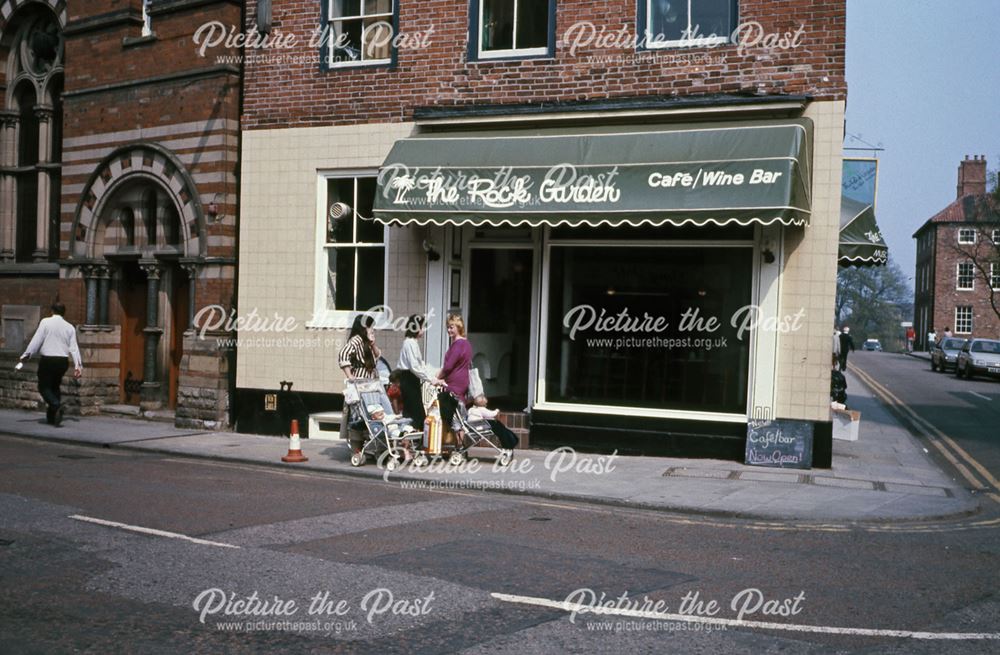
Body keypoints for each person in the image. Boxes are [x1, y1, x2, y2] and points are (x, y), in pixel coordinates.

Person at [18, 302, 83, 426]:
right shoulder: (69, 327)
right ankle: (52, 418)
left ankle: (55, 404)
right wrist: (78, 366)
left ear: (52, 311)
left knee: (43, 387)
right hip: (62, 361)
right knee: (55, 386)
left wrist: (26, 355)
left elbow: (37, 340)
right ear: (64, 312)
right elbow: (74, 348)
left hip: (48, 359)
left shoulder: (45, 322)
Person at [395, 314, 440, 425]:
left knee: (415, 410)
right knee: (414, 411)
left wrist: (433, 375)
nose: (424, 330)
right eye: (422, 327)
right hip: (408, 378)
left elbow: (420, 365)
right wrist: (431, 379)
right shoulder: (409, 343)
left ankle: (413, 436)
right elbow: (415, 367)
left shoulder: (413, 342)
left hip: (412, 378)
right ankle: (410, 436)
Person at [435, 314, 472, 444]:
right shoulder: (466, 343)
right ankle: (461, 446)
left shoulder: (457, 345)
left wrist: (436, 378)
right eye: (448, 327)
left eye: (451, 327)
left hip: (454, 384)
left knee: (454, 417)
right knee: (460, 415)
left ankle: (459, 446)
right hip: (462, 383)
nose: (449, 330)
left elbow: (448, 366)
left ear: (459, 326)